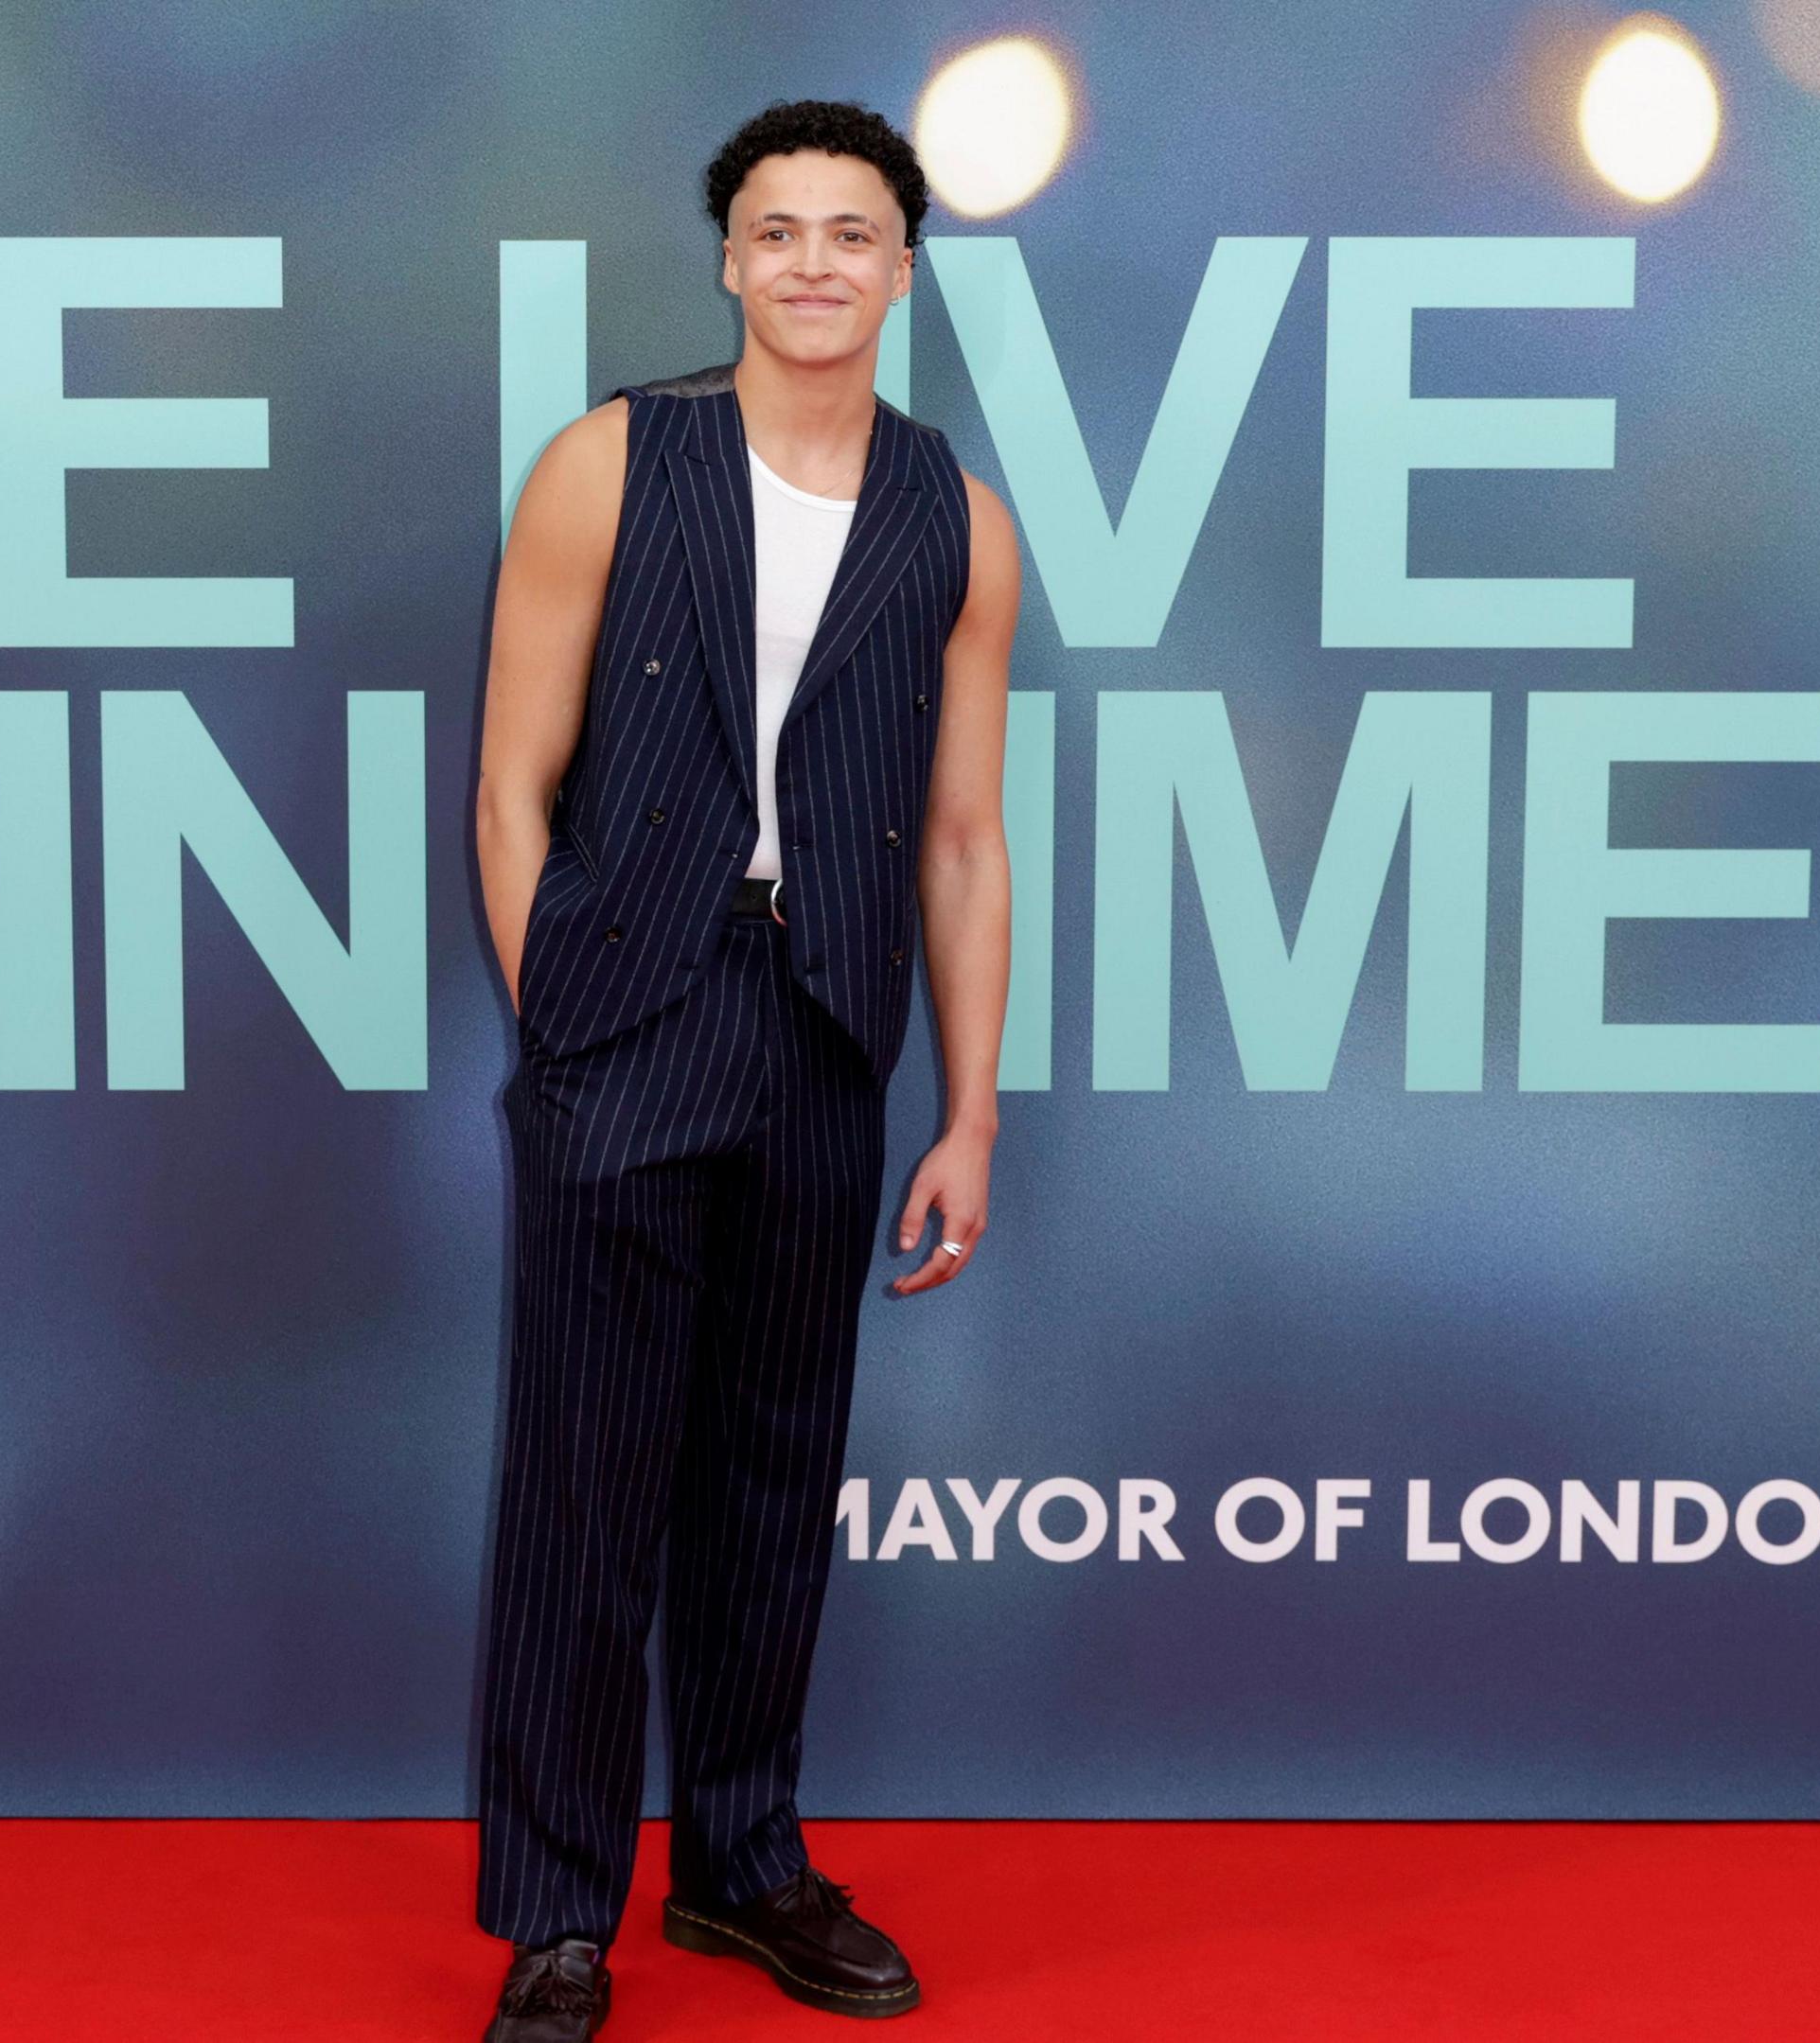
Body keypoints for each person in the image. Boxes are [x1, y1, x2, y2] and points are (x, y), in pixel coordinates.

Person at [467, 97, 1021, 2042]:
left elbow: (962, 835)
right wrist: (569, 1012)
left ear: (900, 267)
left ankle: (744, 1864)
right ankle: (555, 1919)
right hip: (633, 1010)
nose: (810, 262)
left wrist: (963, 1107)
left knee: (777, 1475)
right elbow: (510, 784)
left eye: (849, 233)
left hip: (828, 1029)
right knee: (585, 1487)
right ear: (727, 257)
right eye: (776, 230)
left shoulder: (956, 513)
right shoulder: (613, 466)